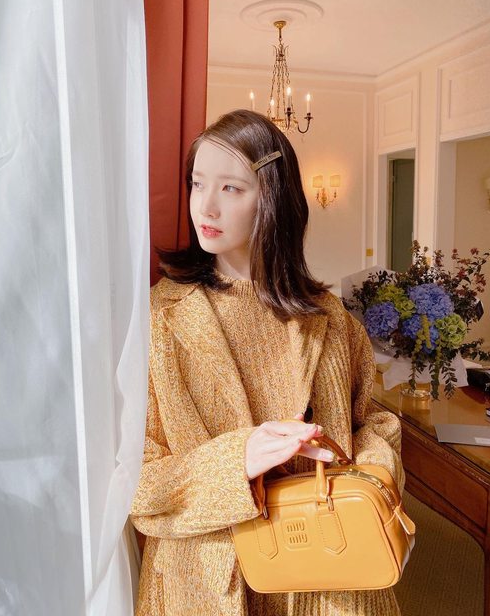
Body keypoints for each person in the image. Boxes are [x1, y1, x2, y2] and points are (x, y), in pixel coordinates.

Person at [130, 109, 404, 616]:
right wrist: (237, 461)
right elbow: (135, 483)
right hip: (208, 585)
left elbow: (373, 424)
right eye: (197, 184)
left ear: (273, 200)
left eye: (231, 188)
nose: (206, 206)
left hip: (330, 576)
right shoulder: (160, 319)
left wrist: (369, 474)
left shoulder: (329, 317)